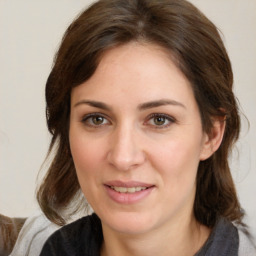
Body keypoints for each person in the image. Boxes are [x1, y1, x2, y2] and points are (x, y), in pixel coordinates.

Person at [37, 0, 256, 255]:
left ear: (211, 134)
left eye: (159, 120)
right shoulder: (32, 245)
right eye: (97, 119)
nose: (123, 157)